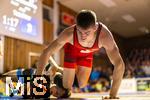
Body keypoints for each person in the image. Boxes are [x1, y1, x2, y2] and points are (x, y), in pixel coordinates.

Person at [37, 10, 125, 99]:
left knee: (82, 84)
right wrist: (37, 80)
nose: (83, 36)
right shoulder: (69, 33)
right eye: (79, 31)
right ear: (76, 26)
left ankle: (57, 69)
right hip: (72, 50)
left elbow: (119, 64)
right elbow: (46, 52)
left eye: (87, 33)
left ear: (95, 28)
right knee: (67, 86)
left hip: (86, 54)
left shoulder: (104, 36)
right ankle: (57, 74)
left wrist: (112, 95)